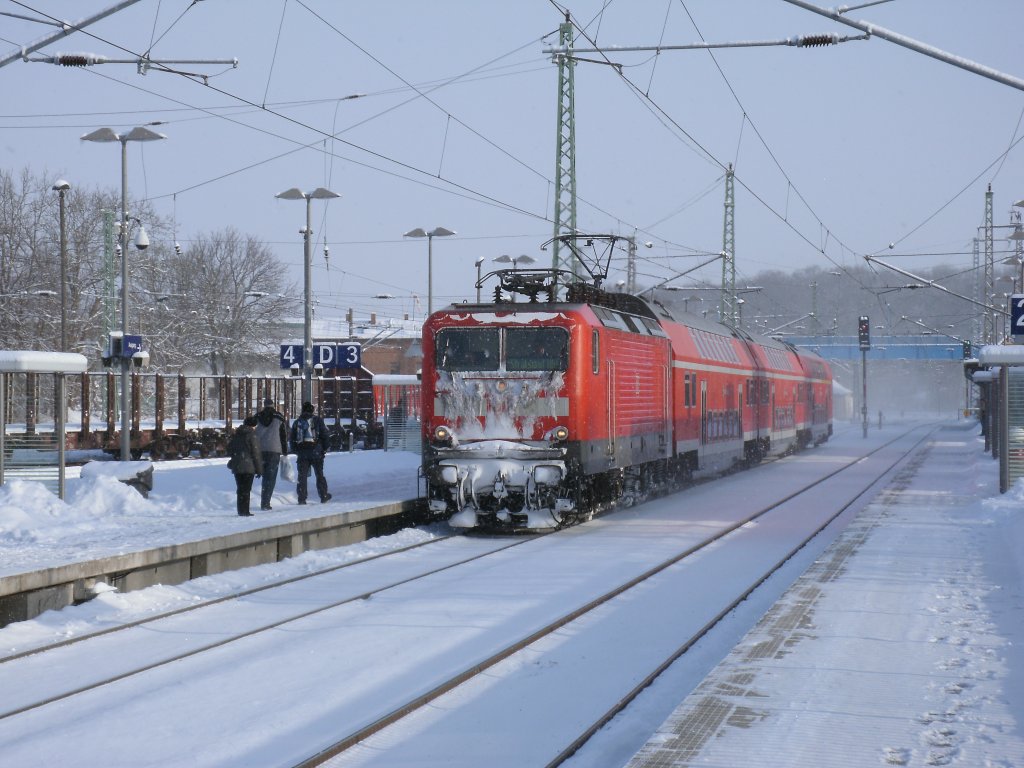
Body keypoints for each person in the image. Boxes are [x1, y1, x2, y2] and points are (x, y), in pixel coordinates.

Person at [290, 401, 332, 505]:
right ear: (312, 410)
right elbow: (325, 435)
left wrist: (296, 450)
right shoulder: (317, 420)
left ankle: (302, 498)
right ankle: (323, 495)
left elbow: (292, 439)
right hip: (316, 452)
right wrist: (325, 448)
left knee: (302, 476)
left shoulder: (297, 422)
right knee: (319, 474)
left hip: (302, 453)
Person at [255, 397, 288, 511]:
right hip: (274, 449)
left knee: (264, 476)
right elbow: (283, 435)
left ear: (264, 405)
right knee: (271, 477)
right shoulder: (279, 417)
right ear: (273, 405)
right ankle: (266, 502)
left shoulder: (258, 416)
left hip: (260, 450)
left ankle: (263, 500)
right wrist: (285, 451)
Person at [226, 415, 262, 517]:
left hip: (237, 466)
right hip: (248, 466)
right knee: (246, 489)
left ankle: (240, 510)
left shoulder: (236, 434)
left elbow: (229, 449)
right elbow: (256, 453)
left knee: (240, 489)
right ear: (253, 425)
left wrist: (237, 456)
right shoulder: (252, 435)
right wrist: (259, 469)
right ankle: (245, 511)